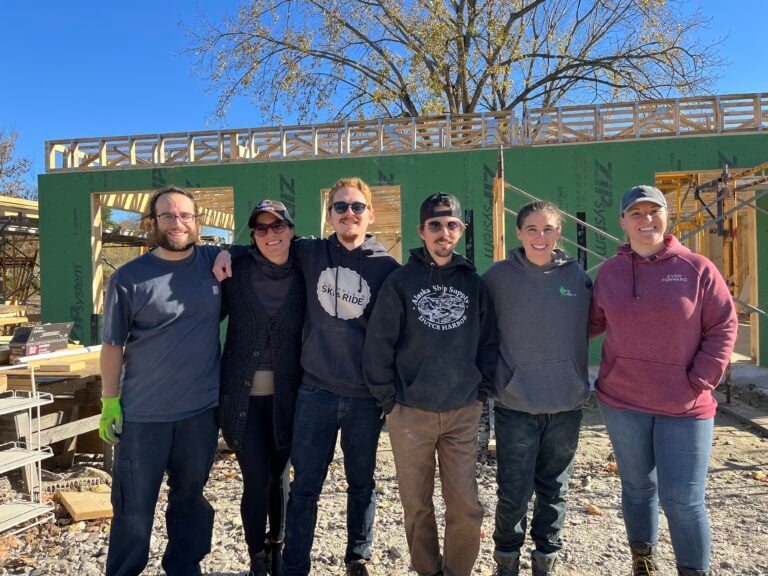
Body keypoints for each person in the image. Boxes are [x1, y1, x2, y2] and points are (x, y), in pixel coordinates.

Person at [213, 177, 399, 576]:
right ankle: (294, 565)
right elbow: (264, 245)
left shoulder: (388, 268)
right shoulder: (309, 252)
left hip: (365, 395)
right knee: (305, 487)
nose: (349, 213)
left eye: (357, 207)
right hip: (314, 390)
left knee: (361, 483)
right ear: (329, 215)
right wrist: (225, 251)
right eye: (340, 207)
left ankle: (357, 558)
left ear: (370, 214)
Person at [589, 185, 738, 576]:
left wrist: (700, 379)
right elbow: (588, 323)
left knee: (683, 500)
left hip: (684, 405)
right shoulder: (610, 273)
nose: (645, 220)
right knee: (637, 489)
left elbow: (723, 325)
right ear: (622, 222)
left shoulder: (697, 268)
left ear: (666, 218)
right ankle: (643, 561)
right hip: (623, 401)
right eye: (635, 213)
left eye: (653, 212)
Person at [363, 192, 497, 576]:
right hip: (411, 413)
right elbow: (378, 346)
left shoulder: (475, 284)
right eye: (434, 225)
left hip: (461, 412)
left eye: (451, 224)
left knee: (466, 507)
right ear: (421, 230)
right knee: (417, 507)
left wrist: (479, 395)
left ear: (460, 230)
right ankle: (426, 570)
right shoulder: (400, 283)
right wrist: (391, 403)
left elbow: (489, 344)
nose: (443, 232)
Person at [99, 186, 222, 576]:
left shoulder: (212, 262)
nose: (178, 223)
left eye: (186, 215)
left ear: (197, 221)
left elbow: (269, 248)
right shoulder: (128, 278)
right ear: (151, 222)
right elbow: (112, 345)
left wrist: (224, 254)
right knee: (133, 509)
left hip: (200, 414)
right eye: (168, 216)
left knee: (190, 501)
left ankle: (184, 568)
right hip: (144, 417)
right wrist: (108, 402)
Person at [483, 201, 592, 576]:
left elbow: (594, 323)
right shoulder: (497, 278)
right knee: (513, 494)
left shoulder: (578, 278)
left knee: (554, 491)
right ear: (518, 233)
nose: (540, 237)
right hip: (516, 405)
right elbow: (480, 330)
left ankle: (546, 560)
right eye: (531, 229)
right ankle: (506, 562)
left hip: (565, 405)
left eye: (547, 229)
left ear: (558, 232)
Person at [218, 199, 306, 576]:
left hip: (290, 396)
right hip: (242, 398)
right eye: (262, 228)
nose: (271, 234)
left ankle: (278, 545)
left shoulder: (306, 268)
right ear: (253, 235)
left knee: (280, 478)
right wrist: (225, 247)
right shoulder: (234, 270)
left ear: (290, 230)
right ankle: (257, 554)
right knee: (255, 479)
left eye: (278, 226)